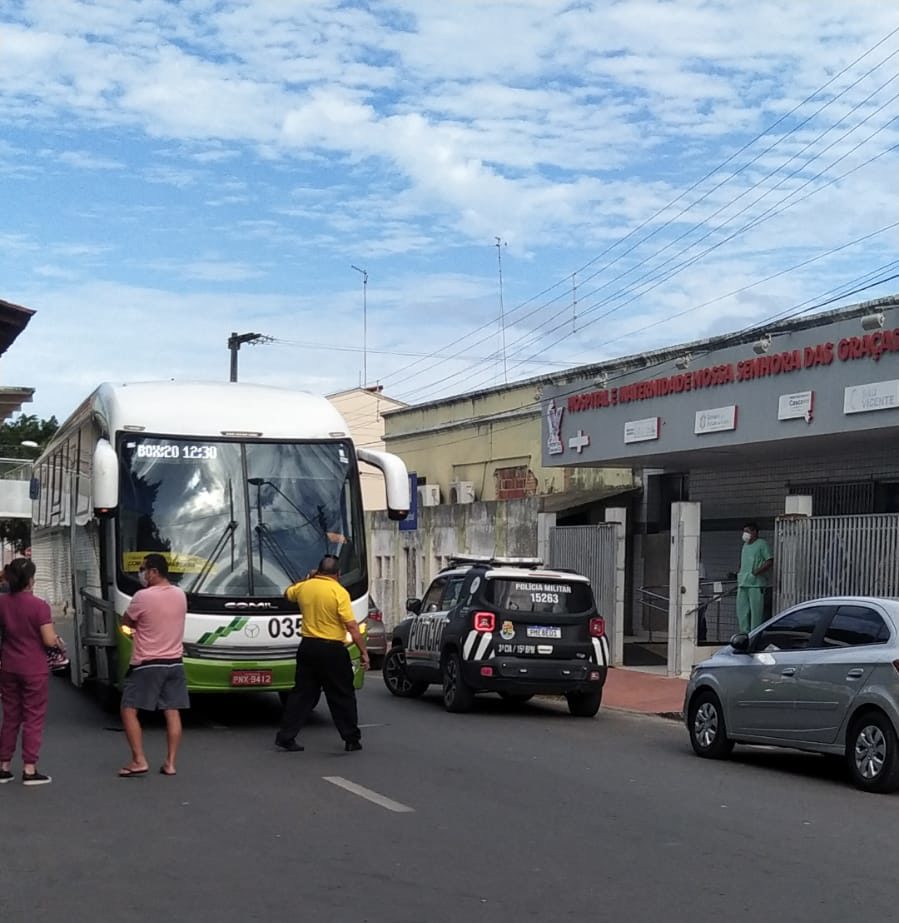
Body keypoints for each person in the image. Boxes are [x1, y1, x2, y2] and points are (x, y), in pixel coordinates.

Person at [275, 554, 369, 753]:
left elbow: (287, 593)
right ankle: (351, 738)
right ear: (338, 573)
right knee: (341, 695)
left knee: (301, 694)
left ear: (318, 571)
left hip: (308, 647)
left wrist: (307, 579)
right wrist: (363, 652)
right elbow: (351, 626)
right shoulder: (339, 592)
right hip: (332, 649)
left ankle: (286, 736)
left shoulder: (304, 587)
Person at [118, 553, 189, 778]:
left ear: (154, 572)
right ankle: (170, 763)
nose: (141, 574)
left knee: (128, 709)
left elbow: (126, 621)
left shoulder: (142, 596)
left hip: (147, 664)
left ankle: (139, 760)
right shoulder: (180, 595)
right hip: (175, 663)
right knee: (172, 711)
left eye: (143, 569)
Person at [0, 557, 62, 785]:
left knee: (10, 717)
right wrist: (56, 639)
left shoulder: (2, 602)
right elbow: (48, 640)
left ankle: (4, 766)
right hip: (33, 668)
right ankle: (29, 768)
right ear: (30, 580)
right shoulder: (39, 606)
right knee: (33, 718)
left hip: (8, 666)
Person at [736, 521, 774, 634]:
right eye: (744, 531)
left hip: (756, 584)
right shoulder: (745, 546)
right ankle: (744, 634)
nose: (745, 534)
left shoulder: (762, 544)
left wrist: (756, 572)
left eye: (747, 531)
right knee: (742, 612)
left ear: (755, 532)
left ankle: (754, 635)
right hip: (743, 582)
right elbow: (743, 562)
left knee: (756, 613)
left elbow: (769, 561)